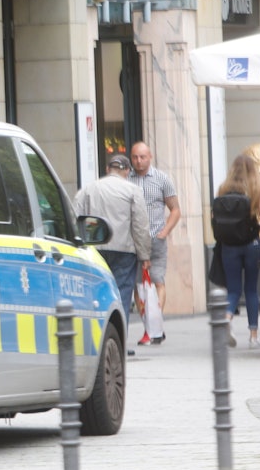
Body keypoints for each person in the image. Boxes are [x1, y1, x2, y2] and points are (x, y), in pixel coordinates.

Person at [74, 154, 152, 355]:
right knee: (121, 297)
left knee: (96, 296)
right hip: (124, 251)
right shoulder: (132, 190)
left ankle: (95, 343)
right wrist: (145, 256)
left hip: (95, 251)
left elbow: (76, 216)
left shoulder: (89, 189)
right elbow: (140, 226)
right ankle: (118, 345)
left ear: (108, 169)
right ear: (126, 171)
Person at [215, 154, 260, 348]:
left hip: (229, 245)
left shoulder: (223, 189)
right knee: (251, 290)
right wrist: (258, 230)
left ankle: (227, 318)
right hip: (251, 244)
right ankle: (253, 336)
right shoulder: (257, 189)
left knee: (233, 289)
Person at [129, 142, 181, 338]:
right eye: (135, 157)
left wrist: (165, 231)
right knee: (139, 286)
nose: (139, 161)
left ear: (150, 157)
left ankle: (154, 326)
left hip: (156, 239)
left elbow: (175, 209)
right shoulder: (127, 180)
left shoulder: (162, 179)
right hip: (134, 241)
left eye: (142, 157)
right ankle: (149, 327)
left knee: (157, 281)